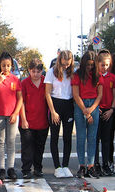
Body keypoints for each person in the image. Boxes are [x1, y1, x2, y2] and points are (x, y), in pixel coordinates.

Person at [0, 52, 23, 181]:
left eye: (8, 65)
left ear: (11, 66)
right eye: (3, 65)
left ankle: (11, 168)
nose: (6, 68)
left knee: (11, 141)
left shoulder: (15, 80)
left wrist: (15, 113)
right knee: (0, 141)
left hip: (12, 115)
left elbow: (20, 99)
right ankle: (1, 168)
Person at [72, 51, 103, 179]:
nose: (90, 67)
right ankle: (81, 165)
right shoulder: (77, 75)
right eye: (88, 65)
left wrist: (91, 110)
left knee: (92, 138)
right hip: (81, 105)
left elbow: (100, 94)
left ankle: (91, 166)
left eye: (92, 65)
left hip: (93, 105)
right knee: (81, 137)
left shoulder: (98, 75)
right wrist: (85, 110)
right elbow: (75, 94)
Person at [45, 50, 75, 178]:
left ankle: (66, 165)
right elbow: (47, 93)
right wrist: (53, 111)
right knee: (55, 137)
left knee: (67, 137)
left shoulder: (72, 73)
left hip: (68, 105)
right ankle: (57, 166)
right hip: (55, 105)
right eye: (63, 64)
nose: (65, 66)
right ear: (59, 61)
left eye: (68, 64)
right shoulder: (51, 72)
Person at [19, 58, 48, 179]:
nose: (35, 74)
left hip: (42, 121)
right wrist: (24, 119)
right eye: (33, 71)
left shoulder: (46, 82)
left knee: (39, 147)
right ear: (29, 71)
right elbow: (22, 102)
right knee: (27, 147)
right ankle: (26, 169)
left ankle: (38, 168)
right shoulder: (24, 83)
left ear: (42, 71)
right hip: (28, 122)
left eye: (38, 71)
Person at [94, 51, 115, 176]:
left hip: (108, 111)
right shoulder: (95, 76)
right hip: (97, 109)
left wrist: (112, 109)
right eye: (102, 65)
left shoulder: (112, 77)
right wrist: (95, 108)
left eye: (107, 65)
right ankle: (96, 164)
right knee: (95, 139)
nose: (105, 67)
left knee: (106, 140)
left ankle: (106, 164)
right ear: (98, 64)